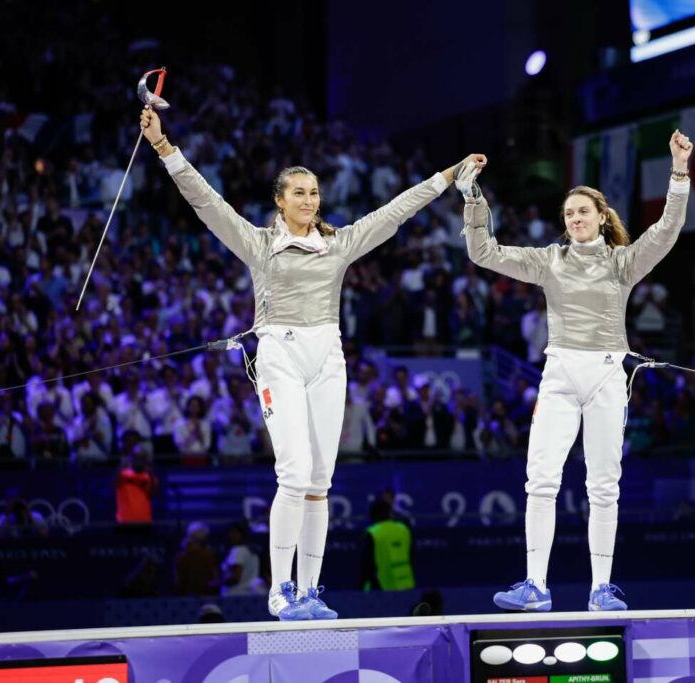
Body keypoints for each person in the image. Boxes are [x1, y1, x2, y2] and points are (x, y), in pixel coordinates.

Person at [141, 104, 485, 620]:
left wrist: (445, 176)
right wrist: (165, 148)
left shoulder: (337, 245)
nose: (309, 199)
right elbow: (206, 203)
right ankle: (279, 589)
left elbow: (393, 213)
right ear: (280, 201)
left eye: (314, 192)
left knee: (320, 482)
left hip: (328, 356)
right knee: (294, 473)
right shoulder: (259, 245)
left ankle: (309, 591)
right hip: (279, 353)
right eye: (299, 192)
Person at [461, 131, 692, 612]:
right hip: (561, 375)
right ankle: (535, 585)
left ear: (602, 217)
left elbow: (666, 231)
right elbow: (483, 252)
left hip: (608, 376)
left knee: (604, 485)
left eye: (583, 211)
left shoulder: (623, 263)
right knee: (540, 480)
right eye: (568, 214)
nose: (575, 218)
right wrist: (472, 198)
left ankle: (601, 587)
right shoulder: (550, 261)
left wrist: (678, 171)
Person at [360, 498, 415, 591]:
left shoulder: (373, 533)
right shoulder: (403, 529)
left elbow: (367, 564)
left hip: (382, 586)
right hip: (406, 583)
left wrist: (362, 586)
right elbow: (411, 554)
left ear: (373, 515)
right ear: (389, 513)